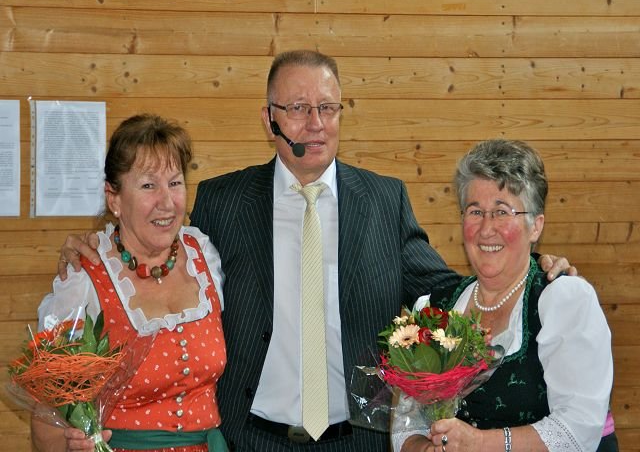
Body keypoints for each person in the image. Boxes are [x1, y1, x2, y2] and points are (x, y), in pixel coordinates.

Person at [57, 50, 575, 451]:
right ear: (269, 119)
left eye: (328, 108)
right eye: (299, 109)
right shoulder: (222, 201)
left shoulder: (384, 199)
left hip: (358, 440)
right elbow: (157, 247)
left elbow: (444, 293)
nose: (316, 123)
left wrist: (529, 273)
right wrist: (95, 245)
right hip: (250, 438)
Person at [394, 139, 615, 452]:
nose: (486, 229)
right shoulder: (434, 308)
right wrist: (421, 448)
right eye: (475, 211)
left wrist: (480, 443)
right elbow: (407, 424)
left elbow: (577, 431)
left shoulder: (563, 300)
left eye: (502, 212)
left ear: (535, 226)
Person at [33, 114, 228, 452]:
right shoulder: (85, 277)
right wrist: (70, 445)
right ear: (114, 199)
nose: (166, 202)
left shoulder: (204, 256)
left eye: (175, 183)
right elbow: (45, 421)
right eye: (148, 186)